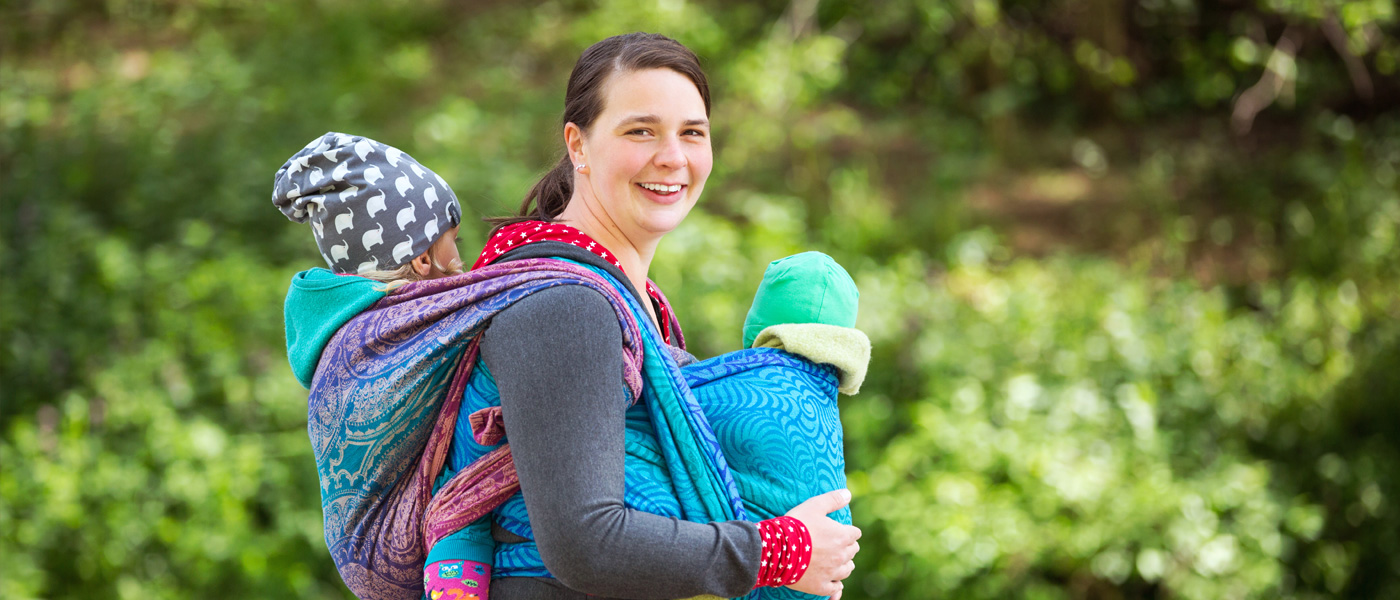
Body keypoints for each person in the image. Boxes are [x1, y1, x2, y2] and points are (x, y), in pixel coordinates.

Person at [422, 33, 861, 600]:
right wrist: (779, 551)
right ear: (577, 145)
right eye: (641, 131)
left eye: (692, 133)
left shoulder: (632, 306)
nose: (673, 157)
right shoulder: (565, 305)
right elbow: (586, 541)